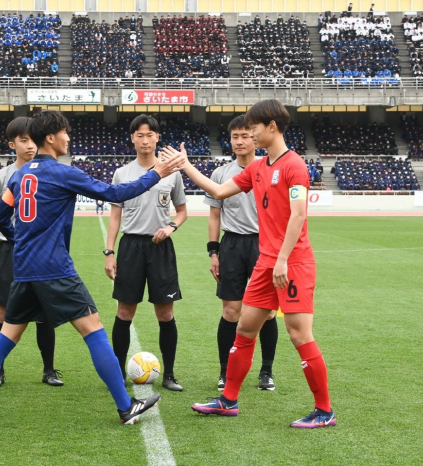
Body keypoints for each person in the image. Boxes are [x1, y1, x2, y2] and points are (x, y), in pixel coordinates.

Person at [0, 110, 185, 424]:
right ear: (51, 137)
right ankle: (124, 407)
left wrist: (19, 239)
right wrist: (156, 173)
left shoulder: (19, 175)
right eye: (65, 132)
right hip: (54, 268)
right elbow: (115, 194)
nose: (68, 137)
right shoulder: (62, 172)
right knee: (94, 330)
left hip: (24, 269)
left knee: (7, 337)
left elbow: (2, 216)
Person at [162, 99, 336, 429]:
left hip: (292, 262)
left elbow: (299, 215)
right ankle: (228, 400)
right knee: (244, 327)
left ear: (272, 127)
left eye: (254, 127)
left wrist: (282, 259)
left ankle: (324, 410)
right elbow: (217, 189)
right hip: (265, 264)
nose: (251, 134)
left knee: (299, 334)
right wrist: (185, 165)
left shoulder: (294, 166)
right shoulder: (256, 169)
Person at [105, 114, 188, 392]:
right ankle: (117, 373)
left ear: (157, 138)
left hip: (160, 247)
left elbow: (182, 211)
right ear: (132, 139)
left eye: (149, 134)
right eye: (139, 135)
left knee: (165, 314)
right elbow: (115, 215)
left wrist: (171, 227)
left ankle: (170, 374)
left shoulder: (172, 172)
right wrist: (109, 251)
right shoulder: (122, 173)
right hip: (130, 247)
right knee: (125, 311)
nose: (144, 140)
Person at [0, 117, 62, 389]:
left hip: (41, 253)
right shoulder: (0, 177)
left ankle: (49, 369)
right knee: (3, 313)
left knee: (44, 313)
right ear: (12, 144)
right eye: (23, 140)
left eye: (33, 139)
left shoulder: (48, 173)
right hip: (11, 250)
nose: (30, 145)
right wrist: (18, 240)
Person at [205, 115, 279, 392]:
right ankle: (225, 371)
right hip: (232, 245)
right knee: (231, 311)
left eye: (244, 136)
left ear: (254, 137)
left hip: (265, 245)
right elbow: (214, 216)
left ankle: (266, 371)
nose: (239, 141)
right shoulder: (221, 174)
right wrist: (214, 252)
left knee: (268, 313)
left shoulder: (269, 170)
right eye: (234, 137)